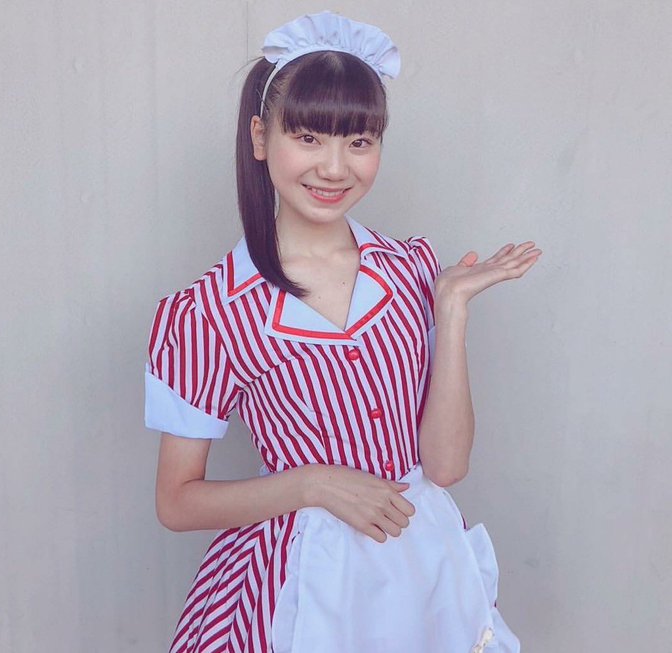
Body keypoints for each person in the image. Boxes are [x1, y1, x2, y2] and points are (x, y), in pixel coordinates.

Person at [144, 10, 541, 653]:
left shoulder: (412, 270)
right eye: (308, 137)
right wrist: (314, 484)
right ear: (260, 137)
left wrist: (451, 310)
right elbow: (177, 501)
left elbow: (445, 466)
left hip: (422, 568)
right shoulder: (208, 313)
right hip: (302, 579)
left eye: (359, 142)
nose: (334, 168)